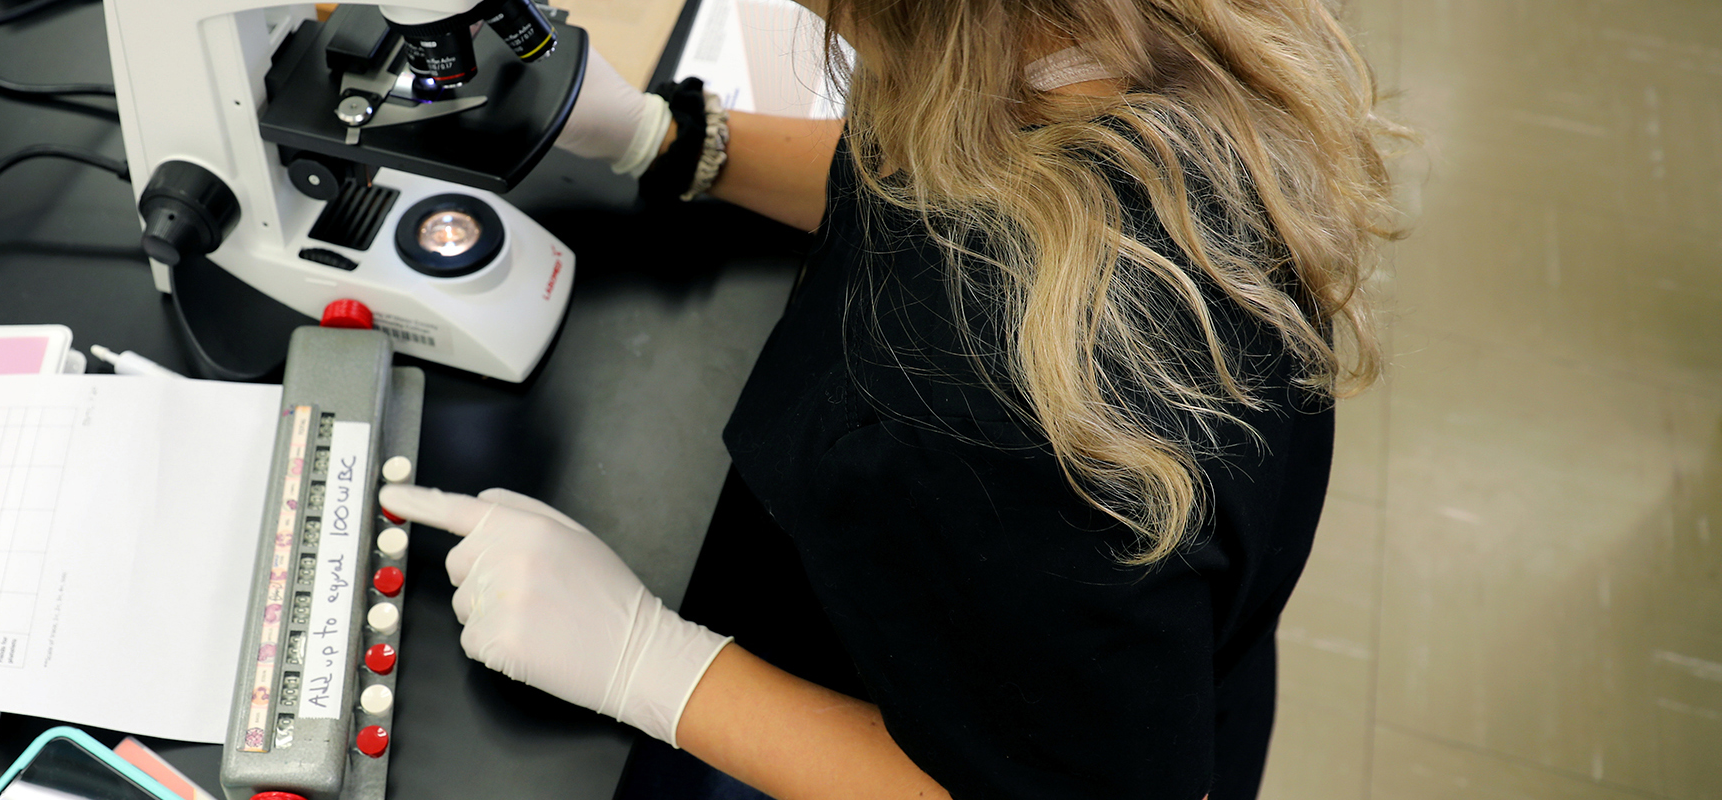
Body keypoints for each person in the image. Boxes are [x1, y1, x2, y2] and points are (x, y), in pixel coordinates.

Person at [378, 1, 1401, 798]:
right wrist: (672, 138)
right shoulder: (1106, 46)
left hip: (1022, 729)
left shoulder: (985, 415)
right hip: (1135, 644)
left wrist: (649, 663)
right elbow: (949, 166)